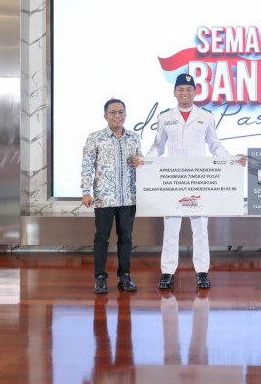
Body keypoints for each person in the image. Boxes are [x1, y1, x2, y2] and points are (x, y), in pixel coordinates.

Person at [137, 74, 245, 290]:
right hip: (173, 180)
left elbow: (214, 145)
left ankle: (202, 272)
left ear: (195, 92)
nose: (184, 93)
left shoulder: (206, 116)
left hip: (198, 179)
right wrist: (145, 161)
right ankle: (167, 272)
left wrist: (232, 159)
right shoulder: (165, 117)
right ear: (174, 92)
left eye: (188, 89)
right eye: (180, 89)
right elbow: (158, 146)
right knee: (171, 228)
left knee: (201, 228)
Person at [81, 98, 142, 294]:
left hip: (128, 198)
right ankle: (100, 278)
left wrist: (140, 165)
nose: (117, 116)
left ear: (125, 115)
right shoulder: (95, 138)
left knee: (126, 238)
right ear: (105, 116)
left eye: (120, 112)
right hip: (103, 198)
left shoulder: (134, 137)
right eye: (113, 112)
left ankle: (125, 276)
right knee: (102, 238)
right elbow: (87, 165)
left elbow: (140, 166)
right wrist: (86, 192)